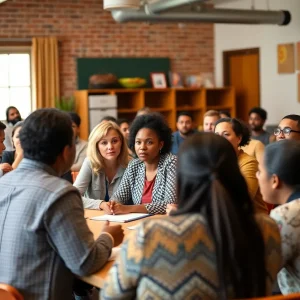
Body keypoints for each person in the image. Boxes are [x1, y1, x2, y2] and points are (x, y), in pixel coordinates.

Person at [101, 133, 282, 299]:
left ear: (181, 180)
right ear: (235, 172)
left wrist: (106, 239)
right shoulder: (268, 229)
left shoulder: (150, 234)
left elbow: (110, 296)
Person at [0, 108, 124, 300]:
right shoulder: (59, 193)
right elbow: (85, 263)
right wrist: (108, 237)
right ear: (67, 151)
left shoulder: (2, 183)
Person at [109, 113, 177, 215]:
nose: (142, 147)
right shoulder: (134, 165)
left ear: (160, 144)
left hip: (162, 222)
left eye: (149, 142)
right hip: (137, 222)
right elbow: (119, 196)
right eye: (138, 142)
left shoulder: (171, 163)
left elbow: (169, 204)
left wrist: (128, 208)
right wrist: (113, 204)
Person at [256, 140, 300, 294]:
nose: (257, 176)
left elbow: (259, 272)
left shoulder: (285, 215)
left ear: (274, 180)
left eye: (260, 171)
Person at [215, 118, 268, 214]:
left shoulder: (249, 162)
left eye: (225, 134)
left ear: (239, 138)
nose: (220, 139)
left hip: (254, 221)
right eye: (217, 135)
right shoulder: (215, 161)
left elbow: (242, 200)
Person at [74, 121, 129, 211]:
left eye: (115, 141)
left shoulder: (131, 164)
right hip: (94, 218)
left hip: (124, 218)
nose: (110, 147)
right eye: (104, 143)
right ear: (96, 146)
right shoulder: (90, 162)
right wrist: (101, 204)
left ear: (122, 143)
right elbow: (74, 197)